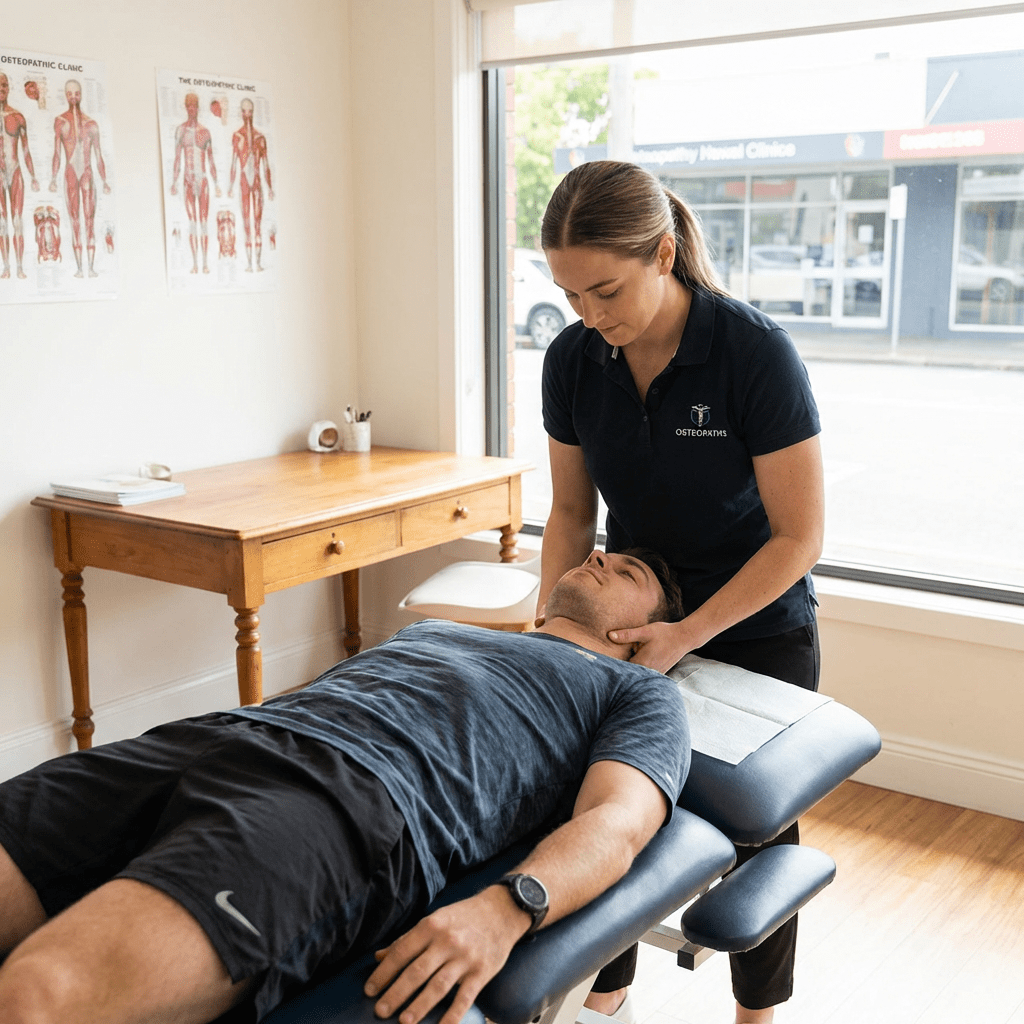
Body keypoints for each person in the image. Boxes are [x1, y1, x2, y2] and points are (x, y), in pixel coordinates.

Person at [0, 548, 688, 1024]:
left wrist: (507, 908)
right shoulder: (447, 629)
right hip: (227, 734)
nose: (599, 557)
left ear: (642, 633)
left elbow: (616, 823)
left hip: (348, 802)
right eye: (603, 552)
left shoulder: (635, 692)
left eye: (624, 570)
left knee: (32, 996)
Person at [536, 161, 825, 1024]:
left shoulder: (750, 352)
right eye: (570, 294)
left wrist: (692, 631)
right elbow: (567, 510)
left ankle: (757, 1011)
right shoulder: (574, 359)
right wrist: (550, 622)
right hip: (632, 612)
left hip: (753, 621)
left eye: (606, 290)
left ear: (663, 254)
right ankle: (608, 989)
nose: (590, 315)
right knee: (600, 793)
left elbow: (799, 538)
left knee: (757, 827)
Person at [48, 79, 111, 279]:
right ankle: (79, 268)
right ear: (66, 95)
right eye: (70, 93)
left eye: (76, 93)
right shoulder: (60, 121)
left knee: (89, 220)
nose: (73, 97)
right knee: (74, 219)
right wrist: (53, 178)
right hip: (70, 175)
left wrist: (104, 180)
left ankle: (90, 268)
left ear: (81, 95)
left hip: (87, 174)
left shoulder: (91, 124)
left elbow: (98, 155)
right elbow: (57, 153)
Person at [169, 92, 221, 274]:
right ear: (186, 107)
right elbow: (177, 159)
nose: (191, 109)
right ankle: (195, 264)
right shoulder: (180, 131)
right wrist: (174, 182)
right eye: (188, 105)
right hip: (188, 180)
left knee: (204, 222)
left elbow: (211, 160)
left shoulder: (205, 132)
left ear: (198, 107)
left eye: (194, 105)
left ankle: (205, 263)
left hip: (203, 180)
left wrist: (217, 184)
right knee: (192, 223)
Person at [0, 72, 40, 280]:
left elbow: (25, 150)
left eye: (5, 85)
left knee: (17, 221)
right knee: (1, 222)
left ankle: (20, 267)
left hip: (15, 171)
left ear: (9, 88)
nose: (2, 89)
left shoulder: (17, 117)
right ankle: (6, 266)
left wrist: (33, 176)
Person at [228, 98, 274, 272]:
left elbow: (266, 165)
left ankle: (258, 263)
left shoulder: (260, 138)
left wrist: (269, 188)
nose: (247, 115)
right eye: (245, 111)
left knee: (258, 223)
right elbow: (234, 162)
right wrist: (231, 186)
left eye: (250, 111)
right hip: (244, 184)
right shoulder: (237, 136)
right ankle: (249, 263)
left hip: (256, 184)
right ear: (241, 112)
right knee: (247, 222)